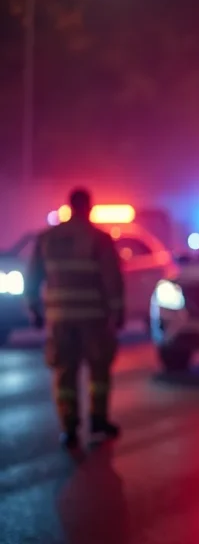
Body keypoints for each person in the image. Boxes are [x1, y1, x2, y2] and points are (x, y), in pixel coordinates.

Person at [25, 187, 125, 449]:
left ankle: (69, 427)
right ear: (89, 207)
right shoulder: (99, 239)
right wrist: (118, 311)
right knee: (99, 369)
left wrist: (34, 309)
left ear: (69, 206)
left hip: (59, 318)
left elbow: (33, 277)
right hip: (93, 318)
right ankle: (98, 420)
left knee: (65, 372)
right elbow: (112, 279)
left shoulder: (47, 237)